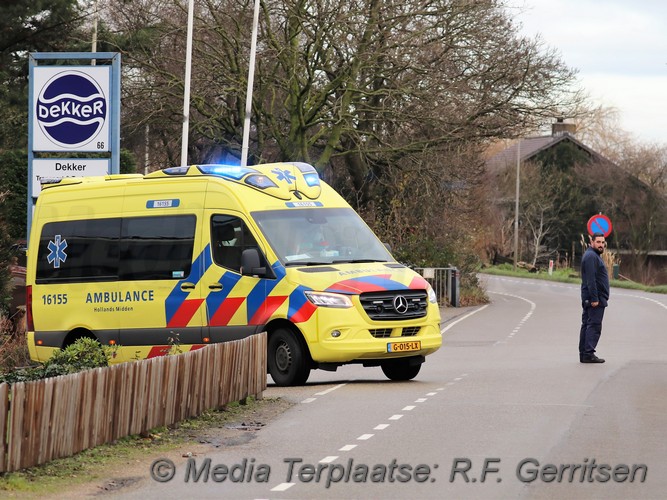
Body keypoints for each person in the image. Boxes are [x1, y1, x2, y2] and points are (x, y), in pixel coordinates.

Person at [579, 232, 610, 363]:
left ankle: (585, 353)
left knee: (587, 324)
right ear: (591, 242)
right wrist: (595, 298)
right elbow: (591, 280)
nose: (601, 245)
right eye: (598, 242)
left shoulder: (593, 255)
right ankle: (588, 353)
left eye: (603, 242)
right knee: (594, 325)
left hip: (592, 297)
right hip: (595, 299)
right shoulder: (591, 256)